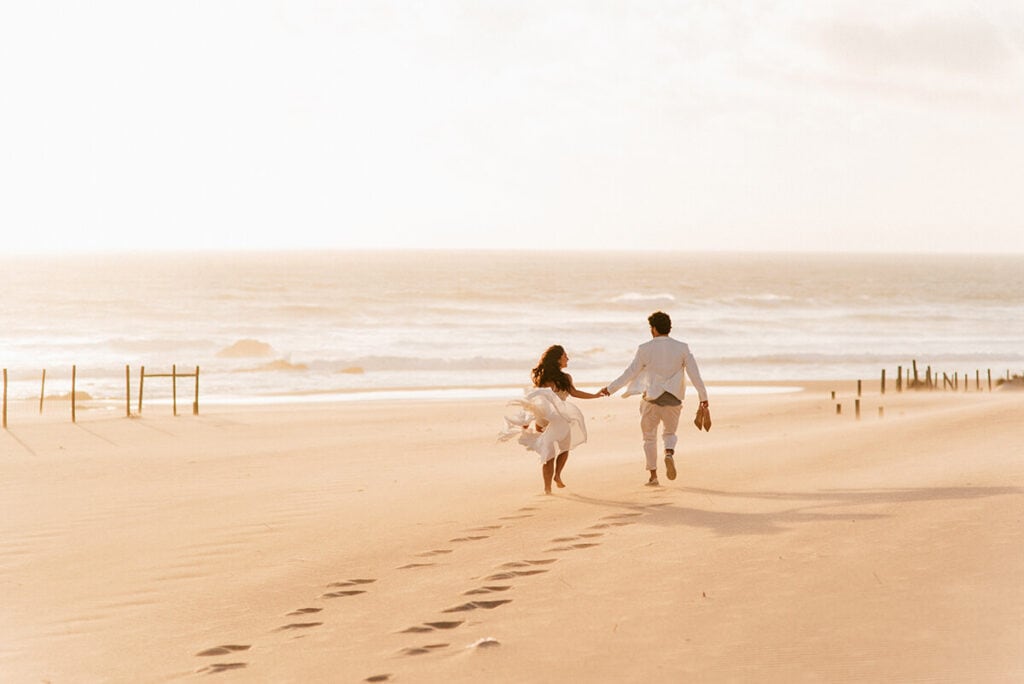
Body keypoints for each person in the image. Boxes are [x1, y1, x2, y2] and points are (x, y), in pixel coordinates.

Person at [601, 311, 709, 487]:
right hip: (673, 400)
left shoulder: (645, 348)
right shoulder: (682, 347)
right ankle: (669, 453)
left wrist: (610, 389)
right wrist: (703, 397)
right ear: (669, 328)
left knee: (649, 438)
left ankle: (653, 476)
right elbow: (695, 374)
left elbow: (630, 372)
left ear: (654, 329)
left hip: (651, 399)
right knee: (670, 433)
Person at [499, 345, 606, 494]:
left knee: (548, 456)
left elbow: (535, 400)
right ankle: (557, 475)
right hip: (559, 419)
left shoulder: (542, 378)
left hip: (543, 419)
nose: (567, 359)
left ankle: (547, 489)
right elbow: (574, 393)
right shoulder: (565, 378)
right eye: (565, 356)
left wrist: (527, 421)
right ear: (557, 360)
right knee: (565, 448)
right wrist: (594, 395)